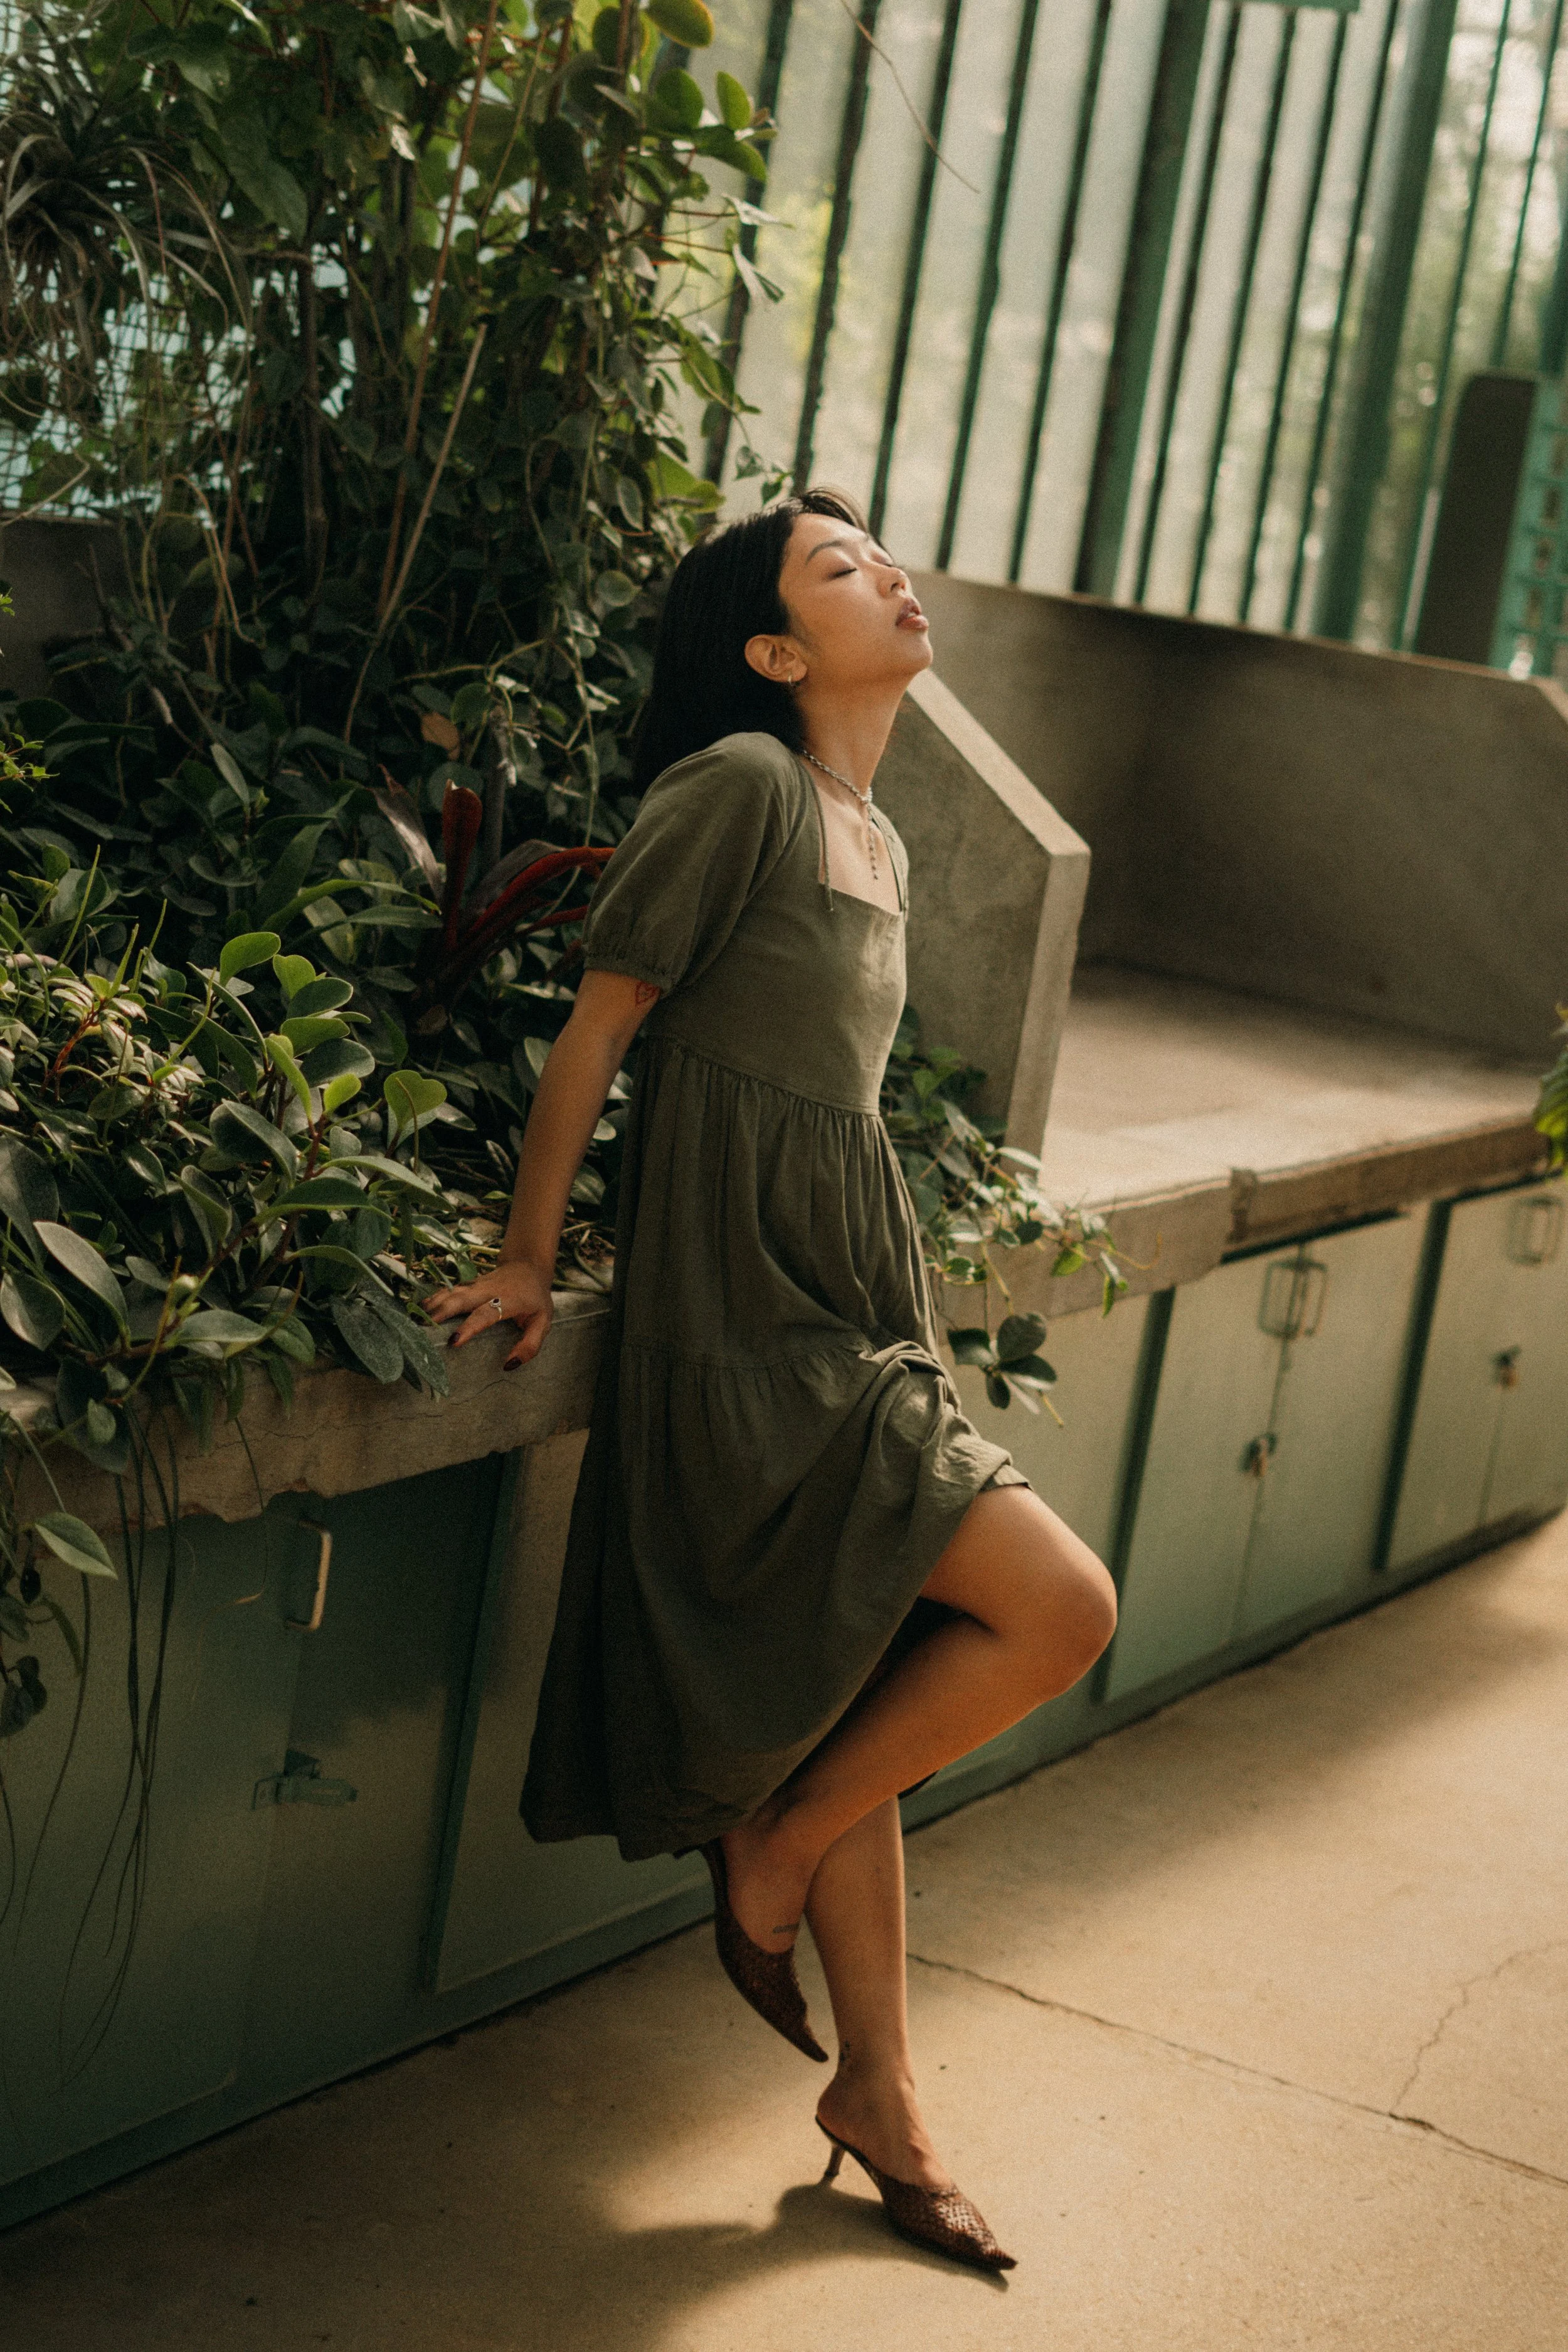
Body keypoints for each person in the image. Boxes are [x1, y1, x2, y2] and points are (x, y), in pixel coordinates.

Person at [426, 489, 1118, 2273]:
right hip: (744, 1308)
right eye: (837, 567)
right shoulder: (736, 789)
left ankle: (876, 2092)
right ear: (769, 650)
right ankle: (777, 1838)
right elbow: (601, 1021)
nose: (888, 571)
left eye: (877, 550)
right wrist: (526, 1253)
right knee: (1060, 1603)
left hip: (844, 1288)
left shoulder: (865, 826)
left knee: (866, 1652)